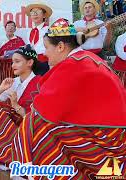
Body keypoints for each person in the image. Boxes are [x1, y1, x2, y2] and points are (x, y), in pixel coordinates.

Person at [11, 19, 126, 179]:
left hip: (106, 138)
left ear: (60, 47)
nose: (44, 54)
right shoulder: (87, 58)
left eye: (46, 48)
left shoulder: (74, 65)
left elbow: (42, 105)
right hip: (115, 134)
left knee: (35, 123)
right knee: (38, 119)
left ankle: (29, 170)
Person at [24, 1, 52, 75]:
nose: (35, 14)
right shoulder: (29, 31)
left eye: (38, 11)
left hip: (44, 63)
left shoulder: (48, 30)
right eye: (33, 12)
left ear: (44, 15)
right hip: (31, 63)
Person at [0, 20, 25, 85]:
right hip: (2, 66)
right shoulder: (0, 39)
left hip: (16, 65)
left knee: (15, 83)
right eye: (8, 26)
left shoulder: (19, 40)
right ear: (5, 28)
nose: (10, 28)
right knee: (3, 83)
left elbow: (22, 52)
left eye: (12, 26)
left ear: (15, 29)